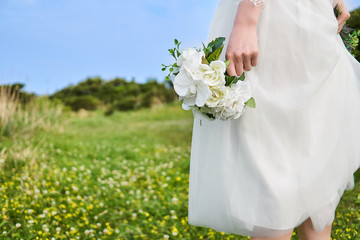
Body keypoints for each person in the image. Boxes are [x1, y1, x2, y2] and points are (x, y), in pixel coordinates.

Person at [187, 0, 360, 239]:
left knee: (306, 157)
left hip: (287, 15)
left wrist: (247, 17)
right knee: (286, 158)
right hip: (286, 14)